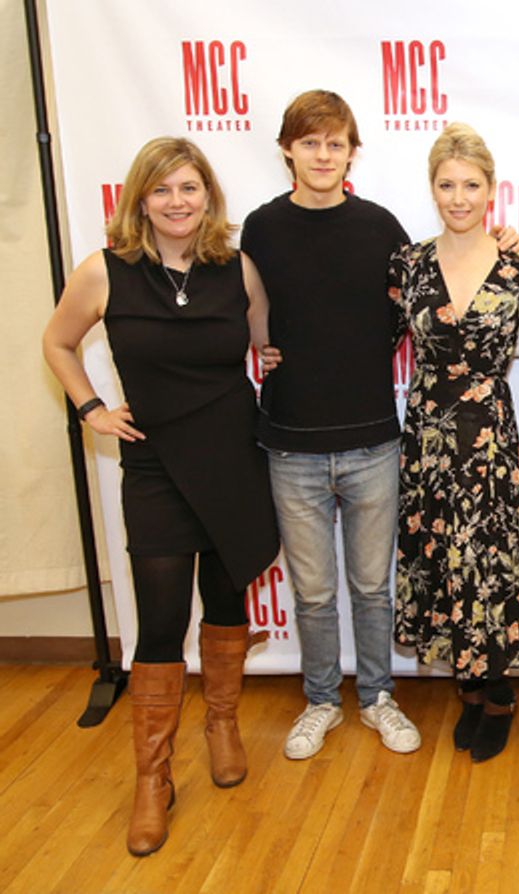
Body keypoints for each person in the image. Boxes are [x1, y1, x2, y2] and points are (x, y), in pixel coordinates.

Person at [42, 137, 279, 856]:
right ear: (139, 198)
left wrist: (274, 356)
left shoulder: (235, 268)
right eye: (163, 190)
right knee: (159, 623)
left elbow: (264, 346)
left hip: (234, 456)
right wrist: (90, 410)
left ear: (208, 195)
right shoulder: (103, 271)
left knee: (230, 600)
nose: (178, 202)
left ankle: (223, 724)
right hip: (154, 466)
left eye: (190, 187)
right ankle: (153, 778)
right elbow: (56, 343)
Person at [241, 90, 421, 761]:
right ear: (288, 149)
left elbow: (418, 305)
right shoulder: (259, 226)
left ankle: (376, 697)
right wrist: (260, 344)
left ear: (352, 152)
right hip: (290, 444)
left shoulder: (382, 226)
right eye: (310, 142)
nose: (323, 154)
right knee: (314, 593)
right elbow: (252, 303)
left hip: (374, 439)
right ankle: (321, 700)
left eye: (335, 142)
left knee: (373, 587)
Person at [389, 123, 519, 763]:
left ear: (491, 189)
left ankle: (499, 693)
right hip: (427, 432)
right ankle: (466, 683)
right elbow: (364, 337)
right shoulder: (407, 264)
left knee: (489, 554)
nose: (459, 197)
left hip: (487, 432)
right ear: (432, 188)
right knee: (441, 551)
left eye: (471, 185)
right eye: (446, 184)